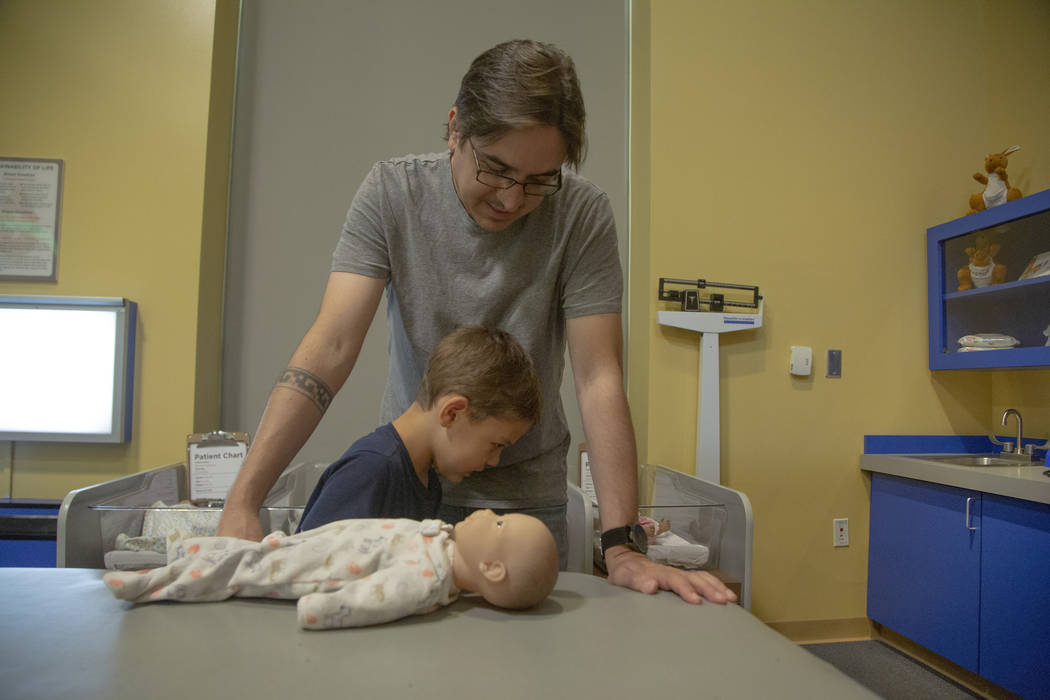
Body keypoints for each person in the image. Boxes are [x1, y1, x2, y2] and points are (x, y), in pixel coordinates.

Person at [218, 39, 735, 605]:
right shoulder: (393, 194)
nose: (513, 200)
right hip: (409, 486)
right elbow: (333, 344)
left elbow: (598, 378)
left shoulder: (583, 215)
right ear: (454, 130)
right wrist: (243, 500)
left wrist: (621, 545)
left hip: (522, 507)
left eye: (541, 179)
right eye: (497, 169)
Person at [104, 509, 559, 629]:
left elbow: (376, 600)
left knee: (241, 570)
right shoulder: (440, 539)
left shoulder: (429, 579)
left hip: (315, 570)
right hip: (313, 545)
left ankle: (151, 586)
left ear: (492, 569)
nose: (488, 513)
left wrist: (323, 609)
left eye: (498, 523)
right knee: (246, 551)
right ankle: (181, 556)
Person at [295, 326, 540, 531]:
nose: (495, 461)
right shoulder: (371, 470)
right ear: (452, 413)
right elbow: (305, 569)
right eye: (497, 445)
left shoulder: (427, 482)